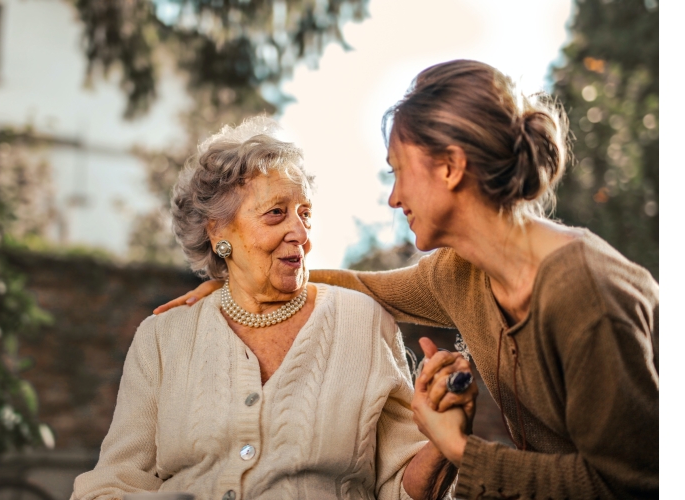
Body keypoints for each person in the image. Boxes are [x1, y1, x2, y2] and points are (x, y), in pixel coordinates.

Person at [154, 60, 659, 499]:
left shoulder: (584, 293)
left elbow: (633, 484)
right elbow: (363, 286)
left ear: (451, 167)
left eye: (398, 171)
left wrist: (458, 447)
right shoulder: (459, 273)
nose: (394, 198)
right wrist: (241, 282)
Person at [71, 117, 472, 500]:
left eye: (306, 214)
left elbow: (402, 489)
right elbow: (115, 479)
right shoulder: (162, 337)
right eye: (276, 213)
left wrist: (442, 443)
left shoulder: (364, 323)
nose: (299, 234)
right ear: (218, 231)